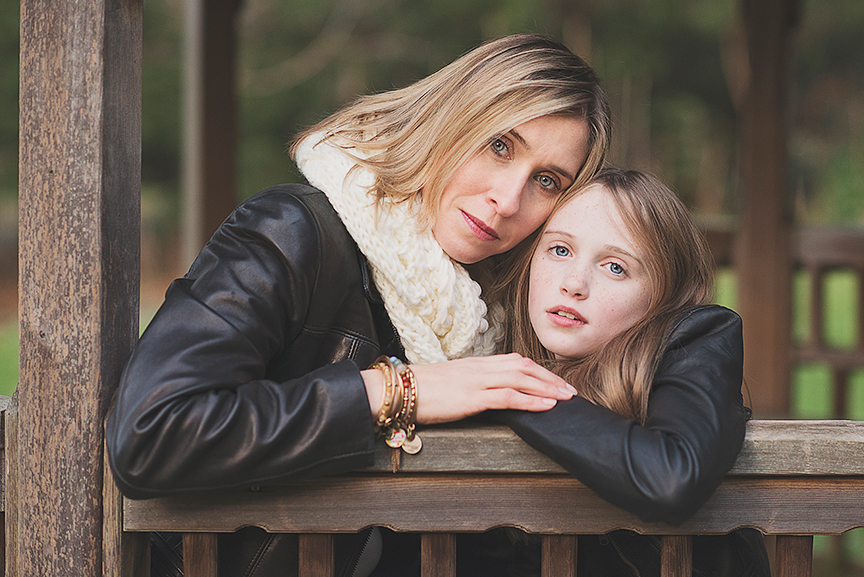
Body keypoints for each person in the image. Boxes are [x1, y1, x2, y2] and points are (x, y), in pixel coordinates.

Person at [106, 33, 612, 577]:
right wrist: (395, 390)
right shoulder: (294, 233)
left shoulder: (502, 315)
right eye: (499, 146)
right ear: (450, 119)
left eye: (546, 181)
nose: (508, 200)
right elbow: (151, 432)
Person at [485, 167, 770, 576]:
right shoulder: (487, 342)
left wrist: (512, 392)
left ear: (663, 296)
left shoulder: (696, 338)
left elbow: (672, 476)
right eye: (560, 250)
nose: (574, 283)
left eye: (615, 267)